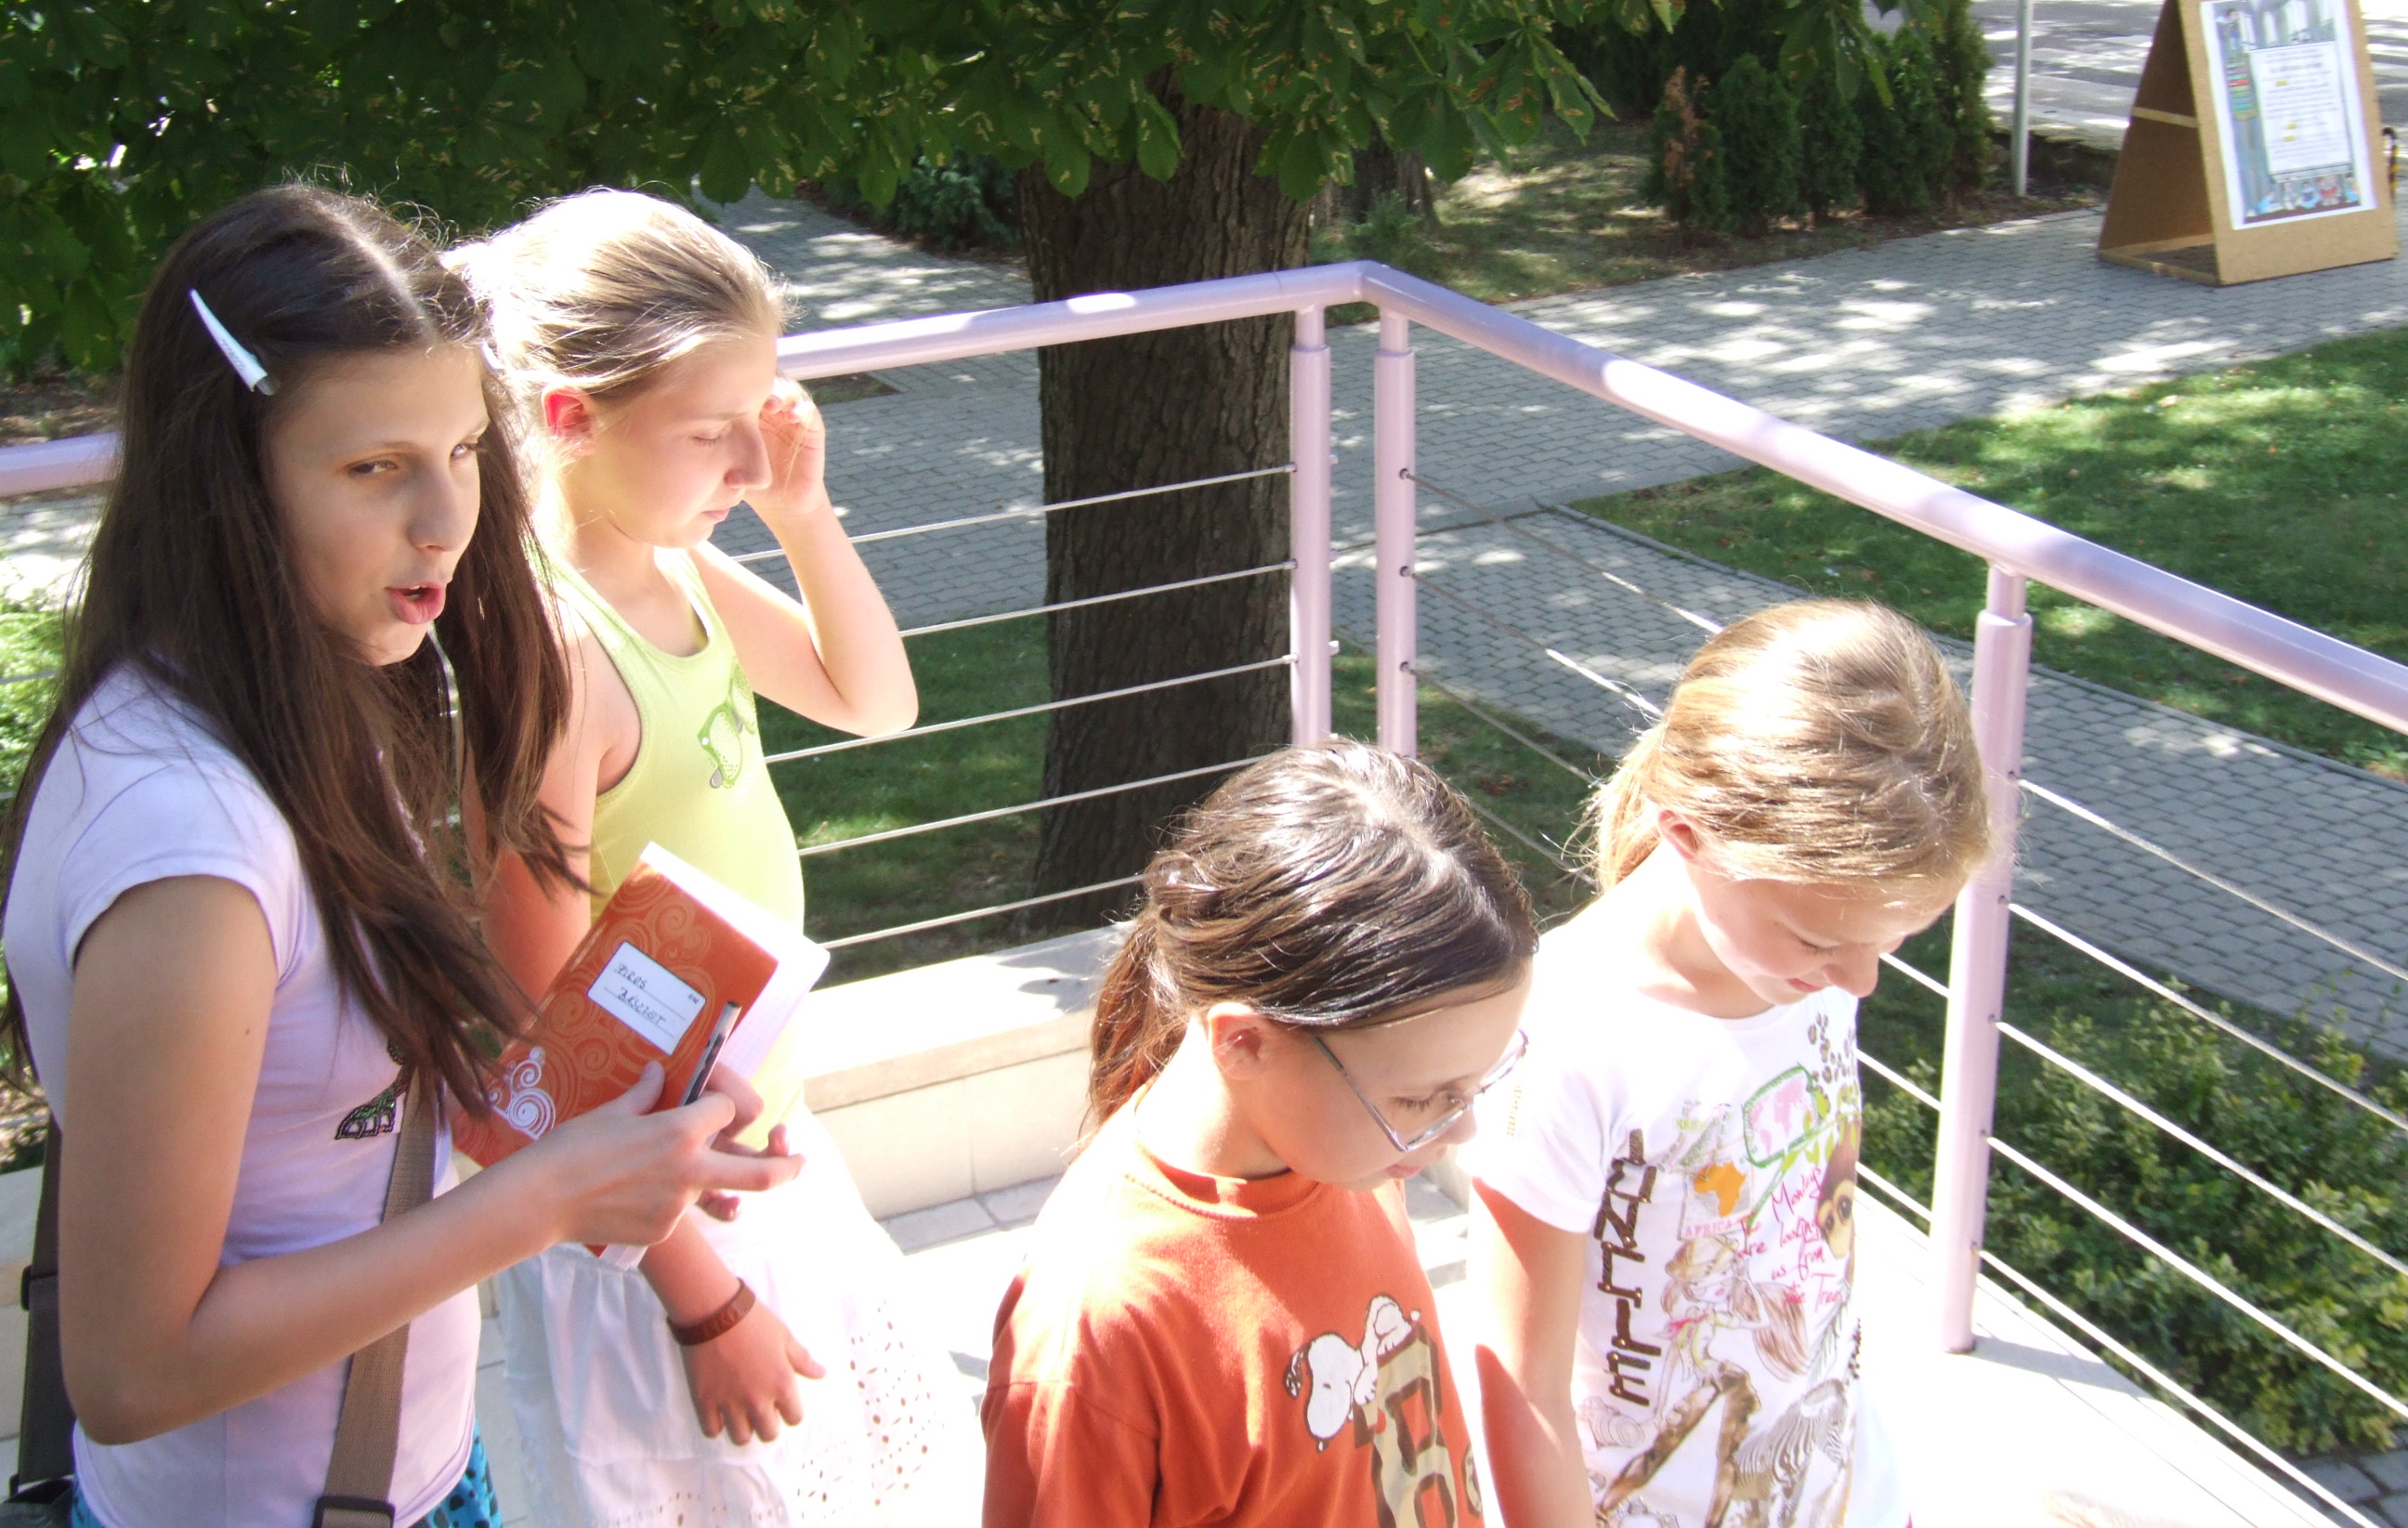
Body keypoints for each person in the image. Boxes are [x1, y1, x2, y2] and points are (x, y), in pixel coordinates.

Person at [0, 186, 800, 1528]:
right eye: (374, 468)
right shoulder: (189, 853)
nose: (447, 522)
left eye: (464, 449)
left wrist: (615, 1100)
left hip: (402, 1471)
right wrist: (549, 1198)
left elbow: (326, 1110)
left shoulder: (294, 696)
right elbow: (134, 1371)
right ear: (223, 482)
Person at [461, 189, 979, 1525]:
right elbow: (539, 1032)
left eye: (761, 417)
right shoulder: (556, 657)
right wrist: (704, 1302)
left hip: (753, 1146)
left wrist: (804, 514)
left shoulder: (672, 566)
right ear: (570, 415)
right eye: (710, 433)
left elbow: (875, 702)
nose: (748, 461)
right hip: (652, 1223)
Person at [1466, 600, 1993, 1528]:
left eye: (1895, 942)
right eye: (1822, 942)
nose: (1862, 982)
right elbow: (1522, 1385)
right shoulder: (1563, 1044)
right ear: (1687, 833)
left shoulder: (1802, 962)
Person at [984, 743, 1537, 1527]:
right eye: (1422, 1099)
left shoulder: (1345, 1152)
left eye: (1474, 1086)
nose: (1463, 1126)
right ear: (1244, 1042)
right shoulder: (1097, 1324)